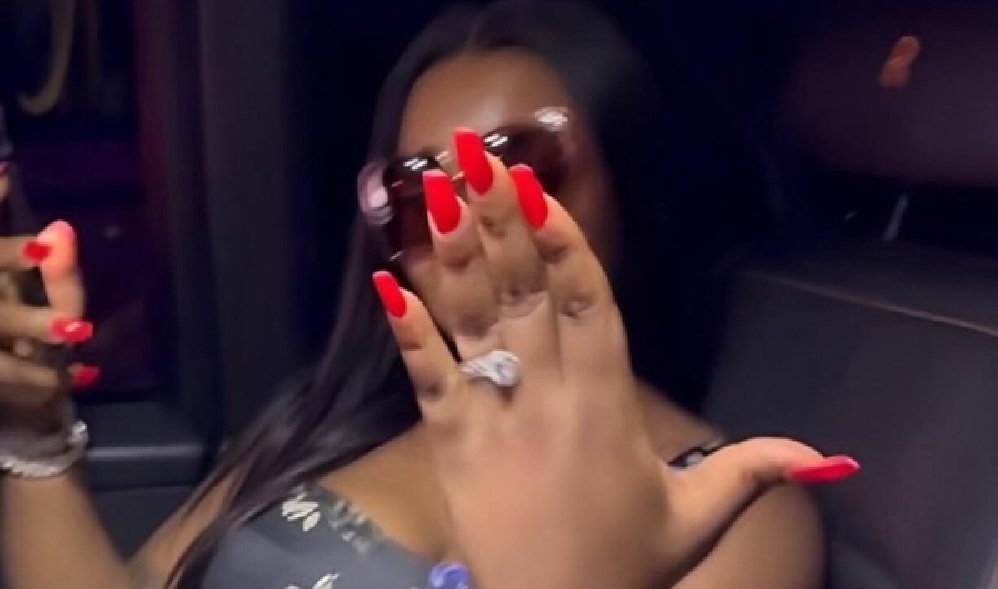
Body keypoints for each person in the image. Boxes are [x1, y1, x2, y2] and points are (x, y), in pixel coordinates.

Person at [0, 2, 858, 589]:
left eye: (515, 169)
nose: (464, 226)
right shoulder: (325, 421)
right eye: (418, 195)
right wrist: (34, 439)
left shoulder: (730, 507)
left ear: (627, 187)